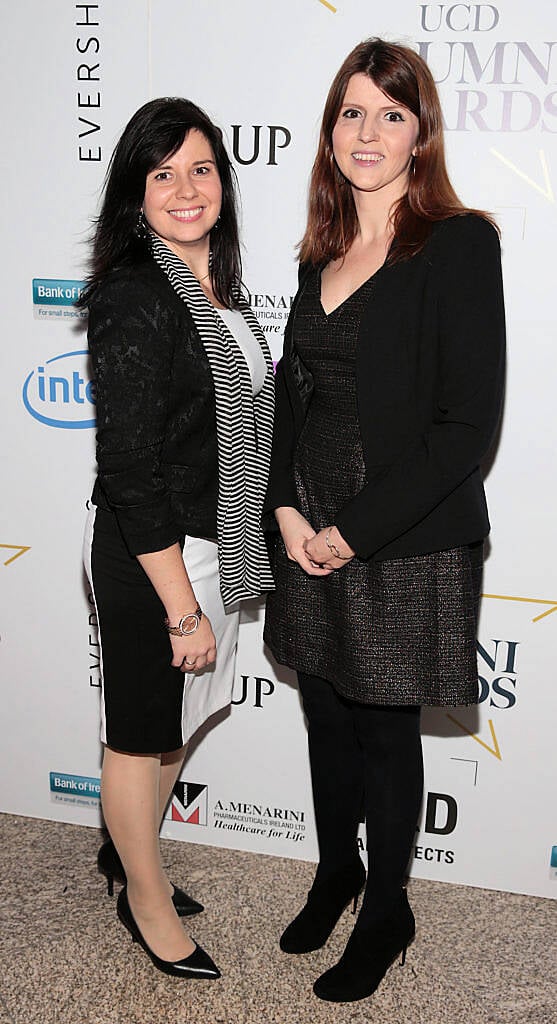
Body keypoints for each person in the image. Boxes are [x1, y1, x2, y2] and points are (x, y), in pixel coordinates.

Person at [264, 38, 505, 1003]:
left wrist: (353, 529)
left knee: (383, 724)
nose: (367, 132)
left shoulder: (456, 241)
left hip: (401, 530)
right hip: (306, 524)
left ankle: (388, 907)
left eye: (390, 115)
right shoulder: (321, 245)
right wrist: (283, 506)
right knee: (323, 706)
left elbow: (464, 427)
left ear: (420, 134)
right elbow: (294, 395)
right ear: (330, 129)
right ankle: (337, 870)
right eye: (352, 112)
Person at [78, 97, 274, 979]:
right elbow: (129, 468)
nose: (185, 189)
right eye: (162, 174)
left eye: (201, 168)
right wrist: (182, 608)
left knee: (172, 731)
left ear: (223, 185)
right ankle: (145, 905)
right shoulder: (134, 293)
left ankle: (132, 859)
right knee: (140, 732)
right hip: (150, 550)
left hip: (212, 540)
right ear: (135, 194)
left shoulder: (212, 295)